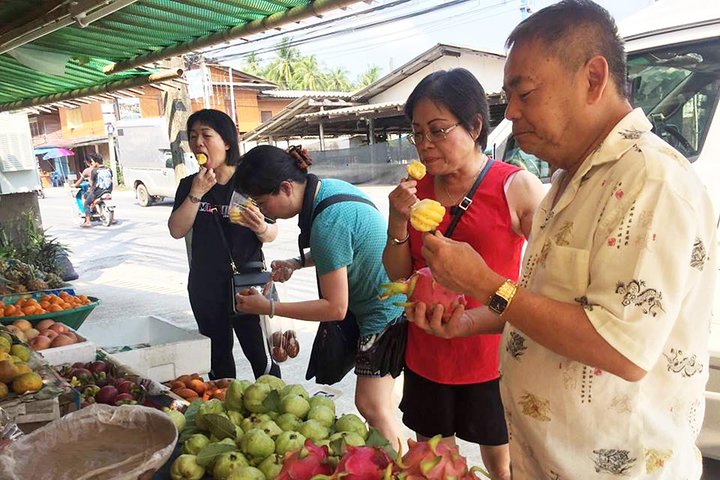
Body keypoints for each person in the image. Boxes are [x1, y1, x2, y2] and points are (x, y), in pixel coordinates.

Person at [410, 1, 718, 478]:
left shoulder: (652, 181)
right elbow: (550, 308)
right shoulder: (568, 183)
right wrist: (469, 323)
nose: (510, 113)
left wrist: (486, 283)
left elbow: (620, 348)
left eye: (525, 93)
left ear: (593, 78)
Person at [383, 68, 544, 480]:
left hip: (490, 356)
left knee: (502, 462)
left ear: (474, 126)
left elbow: (548, 277)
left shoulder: (516, 187)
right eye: (417, 133)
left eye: (438, 130)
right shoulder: (412, 192)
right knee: (434, 460)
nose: (425, 145)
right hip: (428, 350)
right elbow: (399, 275)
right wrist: (397, 222)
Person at [233, 145, 404, 450]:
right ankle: (391, 461)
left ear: (285, 188)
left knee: (371, 407)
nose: (263, 213)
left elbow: (335, 308)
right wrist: (297, 263)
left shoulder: (327, 222)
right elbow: (345, 248)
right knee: (381, 405)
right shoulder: (330, 190)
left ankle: (401, 469)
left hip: (383, 313)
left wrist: (269, 306)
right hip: (390, 301)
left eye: (262, 203)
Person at [168, 109, 280, 380]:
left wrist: (260, 227)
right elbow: (176, 229)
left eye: (207, 135)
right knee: (218, 359)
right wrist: (197, 193)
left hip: (247, 284)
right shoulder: (188, 185)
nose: (198, 143)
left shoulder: (249, 182)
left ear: (227, 142)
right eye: (193, 136)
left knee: (261, 357)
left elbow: (272, 231)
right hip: (205, 285)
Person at [79, 153, 113, 227]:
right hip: (108, 191)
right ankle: (112, 219)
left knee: (86, 203)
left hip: (97, 192)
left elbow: (92, 184)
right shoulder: (109, 169)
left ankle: (88, 221)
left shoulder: (94, 171)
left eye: (93, 162)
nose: (92, 163)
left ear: (96, 162)